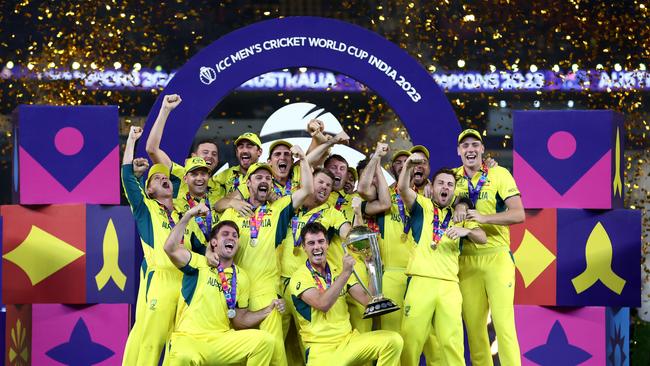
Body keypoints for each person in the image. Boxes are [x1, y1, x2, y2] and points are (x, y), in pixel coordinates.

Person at [218, 146, 313, 366]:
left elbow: (307, 188)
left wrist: (304, 159)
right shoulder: (233, 211)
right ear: (248, 183)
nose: (264, 180)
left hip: (266, 289)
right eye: (258, 177)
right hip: (236, 287)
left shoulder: (278, 209)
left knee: (275, 349)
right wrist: (230, 202)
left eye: (268, 178)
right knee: (238, 352)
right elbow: (216, 245)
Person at [163, 205, 283, 366]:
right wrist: (189, 215)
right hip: (189, 339)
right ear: (213, 242)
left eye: (235, 236)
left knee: (265, 341)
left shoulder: (241, 277)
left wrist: (268, 310)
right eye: (225, 234)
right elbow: (169, 248)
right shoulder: (199, 262)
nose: (231, 238)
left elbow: (240, 320)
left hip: (221, 340)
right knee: (182, 357)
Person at [398, 158, 487, 366]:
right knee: (411, 340)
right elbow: (403, 188)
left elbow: (482, 237)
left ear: (454, 191)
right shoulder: (422, 206)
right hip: (421, 281)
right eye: (441, 183)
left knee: (452, 342)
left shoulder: (460, 215)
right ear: (432, 186)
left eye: (450, 184)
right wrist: (408, 166)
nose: (445, 187)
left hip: (449, 285)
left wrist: (466, 230)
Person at [454, 129, 525, 366]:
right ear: (459, 152)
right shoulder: (452, 178)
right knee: (474, 330)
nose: (470, 149)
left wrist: (485, 218)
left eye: (475, 144)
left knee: (504, 326)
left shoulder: (499, 174)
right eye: (465, 146)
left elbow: (518, 214)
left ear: (482, 149)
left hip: (496, 257)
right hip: (465, 260)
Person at [290, 222, 404, 366]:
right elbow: (322, 304)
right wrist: (345, 273)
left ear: (327, 245)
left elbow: (367, 300)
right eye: (311, 243)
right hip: (321, 350)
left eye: (321, 241)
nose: (317, 247)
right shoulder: (299, 276)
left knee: (393, 341)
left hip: (348, 342)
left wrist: (372, 269)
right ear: (304, 248)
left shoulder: (338, 270)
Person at [121, 126, 187, 366]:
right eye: (157, 178)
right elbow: (128, 176)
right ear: (149, 190)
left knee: (177, 342)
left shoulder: (182, 212)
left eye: (165, 178)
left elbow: (179, 175)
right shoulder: (145, 209)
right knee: (150, 341)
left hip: (185, 282)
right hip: (159, 280)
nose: (164, 179)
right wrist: (131, 140)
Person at [145, 94, 223, 203]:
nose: (210, 156)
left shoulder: (220, 187)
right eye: (205, 152)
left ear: (218, 161)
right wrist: (165, 110)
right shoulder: (179, 174)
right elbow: (152, 149)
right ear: (193, 156)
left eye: (214, 154)